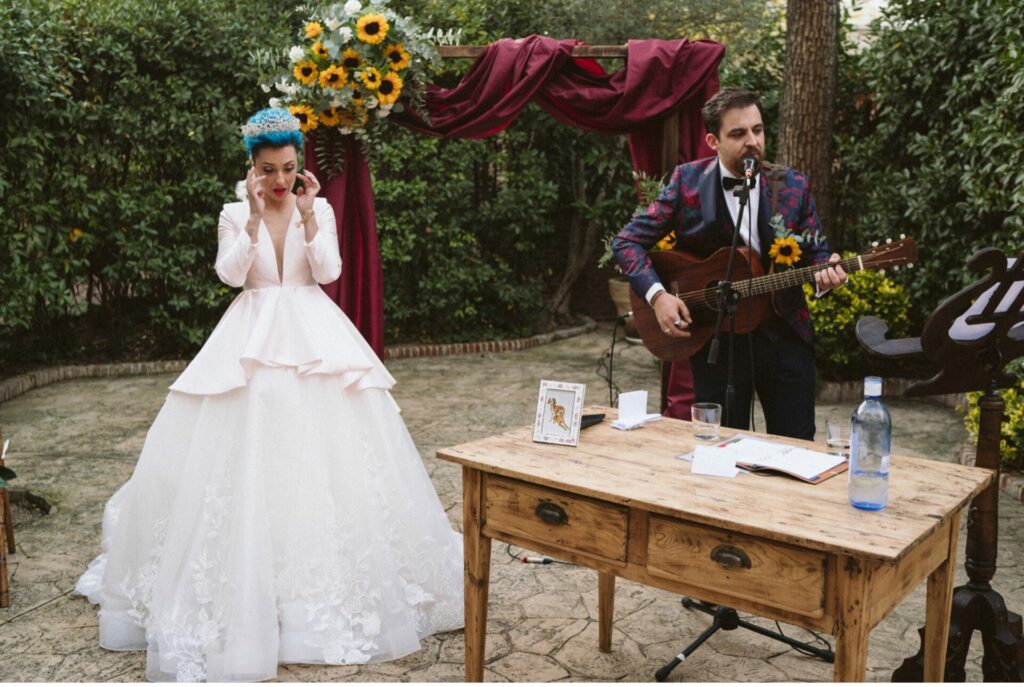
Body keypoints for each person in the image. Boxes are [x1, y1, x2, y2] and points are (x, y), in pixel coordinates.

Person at [74, 108, 463, 682]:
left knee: (325, 461)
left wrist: (306, 218)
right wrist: (255, 220)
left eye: (287, 169)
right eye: (268, 171)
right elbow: (231, 276)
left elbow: (328, 271)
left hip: (315, 334)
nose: (279, 180)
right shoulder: (235, 212)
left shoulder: (320, 207)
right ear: (252, 169)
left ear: (299, 165)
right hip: (250, 337)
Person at [612, 88, 847, 440]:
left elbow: (817, 255)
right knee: (720, 451)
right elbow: (627, 241)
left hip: (783, 339)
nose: (752, 141)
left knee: (796, 447)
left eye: (758, 130)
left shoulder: (793, 186)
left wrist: (824, 278)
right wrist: (658, 296)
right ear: (713, 140)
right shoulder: (686, 182)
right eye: (738, 133)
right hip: (715, 341)